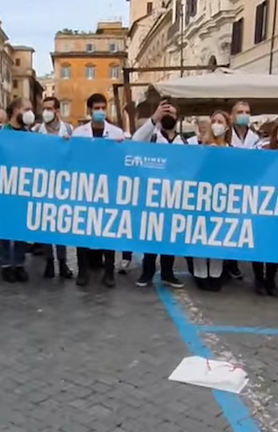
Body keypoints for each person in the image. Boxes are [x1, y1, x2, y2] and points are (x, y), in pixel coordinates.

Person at [72, 93, 125, 288]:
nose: (100, 112)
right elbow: (71, 156)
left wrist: (122, 149)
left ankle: (109, 272)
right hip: (85, 190)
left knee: (108, 230)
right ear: (90, 110)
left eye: (103, 108)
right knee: (82, 231)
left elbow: (128, 157)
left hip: (108, 190)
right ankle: (83, 271)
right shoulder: (79, 133)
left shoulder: (118, 133)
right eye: (97, 108)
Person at [131, 99, 185, 289]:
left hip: (174, 197)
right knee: (151, 235)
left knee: (170, 237)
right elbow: (135, 141)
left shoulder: (184, 141)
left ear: (177, 117)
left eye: (171, 113)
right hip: (152, 196)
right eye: (165, 112)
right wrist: (154, 118)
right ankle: (147, 271)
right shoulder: (151, 137)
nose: (168, 116)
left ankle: (168, 273)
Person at [33, 96, 74, 279]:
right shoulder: (36, 131)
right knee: (45, 226)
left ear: (57, 111)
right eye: (44, 108)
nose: (46, 112)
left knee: (61, 225)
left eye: (50, 108)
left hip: (62, 184)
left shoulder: (69, 130)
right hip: (42, 183)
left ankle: (63, 262)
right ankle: (49, 261)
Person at [192, 111, 232, 292]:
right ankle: (200, 273)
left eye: (220, 121)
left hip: (223, 199)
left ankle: (216, 273)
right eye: (214, 121)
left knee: (218, 236)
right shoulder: (201, 148)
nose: (216, 124)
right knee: (200, 234)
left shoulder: (232, 151)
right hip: (202, 198)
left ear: (227, 126)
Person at [0, 98, 35, 283]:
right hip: (5, 187)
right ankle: (6, 264)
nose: (29, 112)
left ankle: (19, 263)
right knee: (4, 227)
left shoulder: (30, 135)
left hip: (24, 187)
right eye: (26, 109)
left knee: (21, 227)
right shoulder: (1, 133)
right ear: (15, 110)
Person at [253, 116, 278, 296]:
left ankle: (270, 279)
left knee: (275, 244)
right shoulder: (264, 150)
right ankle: (259, 279)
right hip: (264, 203)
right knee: (260, 243)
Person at [225, 101, 260, 280]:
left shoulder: (255, 138)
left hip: (248, 188)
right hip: (227, 187)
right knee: (227, 226)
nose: (244, 115)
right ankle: (227, 263)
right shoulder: (225, 135)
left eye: (247, 112)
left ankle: (235, 261)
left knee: (243, 225)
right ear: (231, 116)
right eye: (240, 112)